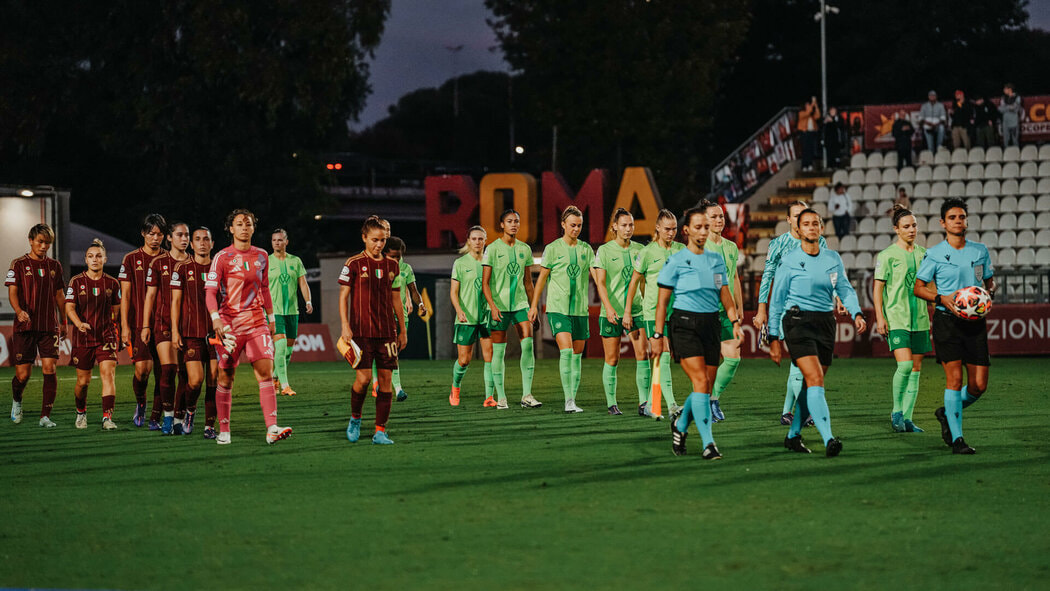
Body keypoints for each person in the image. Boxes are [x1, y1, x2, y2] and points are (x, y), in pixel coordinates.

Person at [768, 209, 866, 457]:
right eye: (806, 224)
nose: (811, 227)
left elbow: (844, 288)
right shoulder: (789, 260)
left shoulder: (832, 258)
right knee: (815, 379)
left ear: (821, 228)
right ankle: (829, 438)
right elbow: (777, 300)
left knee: (812, 384)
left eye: (816, 223)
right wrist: (773, 337)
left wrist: (856, 313)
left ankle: (792, 436)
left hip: (825, 323)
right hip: (797, 322)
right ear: (799, 230)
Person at [659, 207, 743, 460]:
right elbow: (663, 302)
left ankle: (681, 425)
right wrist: (656, 335)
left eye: (706, 227)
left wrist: (735, 319)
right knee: (700, 383)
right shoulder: (675, 260)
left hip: (711, 324)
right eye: (698, 226)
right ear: (686, 230)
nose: (703, 231)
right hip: (683, 324)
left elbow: (724, 292)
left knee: (704, 388)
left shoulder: (716, 260)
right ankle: (709, 443)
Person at [914, 197, 996, 455]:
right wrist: (941, 298)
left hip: (974, 323)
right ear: (943, 223)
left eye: (961, 217)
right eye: (952, 218)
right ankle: (958, 439)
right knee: (954, 379)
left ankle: (945, 413)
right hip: (946, 321)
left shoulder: (979, 251)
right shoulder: (935, 253)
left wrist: (986, 295)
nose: (958, 221)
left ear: (966, 220)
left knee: (978, 385)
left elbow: (988, 282)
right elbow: (918, 288)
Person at [206, 209, 293, 446]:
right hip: (229, 325)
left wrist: (272, 318)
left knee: (266, 372)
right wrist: (215, 319)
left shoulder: (262, 256)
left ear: (253, 228)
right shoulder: (222, 257)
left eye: (248, 223)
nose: (244, 227)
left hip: (257, 322)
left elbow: (264, 288)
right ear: (231, 229)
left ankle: (272, 428)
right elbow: (210, 292)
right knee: (225, 377)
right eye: (239, 224)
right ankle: (224, 430)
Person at [753, 200, 831, 426]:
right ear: (788, 220)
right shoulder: (779, 244)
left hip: (814, 308)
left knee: (801, 362)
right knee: (799, 361)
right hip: (789, 308)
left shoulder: (820, 241)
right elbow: (767, 276)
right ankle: (801, 413)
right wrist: (761, 309)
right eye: (795, 216)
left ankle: (789, 412)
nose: (799, 220)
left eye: (803, 215)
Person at [338, 216, 407, 445]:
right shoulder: (354, 263)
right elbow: (343, 296)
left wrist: (402, 329)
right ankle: (355, 418)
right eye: (375, 240)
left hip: (387, 331)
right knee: (364, 379)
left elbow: (396, 299)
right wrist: (345, 325)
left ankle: (380, 431)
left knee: (386, 381)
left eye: (383, 240)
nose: (379, 245)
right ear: (364, 238)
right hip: (361, 332)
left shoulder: (392, 266)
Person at [530, 206, 595, 413]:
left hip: (580, 311)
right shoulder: (552, 248)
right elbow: (541, 279)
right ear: (563, 225)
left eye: (579, 226)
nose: (576, 229)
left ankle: (572, 399)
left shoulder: (586, 250)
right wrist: (534, 306)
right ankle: (568, 401)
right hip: (558, 308)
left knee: (577, 355)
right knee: (566, 352)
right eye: (572, 225)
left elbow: (598, 277)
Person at [874, 205, 931, 433]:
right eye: (906, 226)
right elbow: (878, 289)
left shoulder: (924, 254)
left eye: (914, 225)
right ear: (896, 229)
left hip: (920, 319)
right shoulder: (887, 255)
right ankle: (897, 411)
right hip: (897, 318)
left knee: (916, 370)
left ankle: (908, 419)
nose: (911, 230)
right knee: (905, 365)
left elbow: (929, 286)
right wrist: (880, 317)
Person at [625, 209, 684, 418]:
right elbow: (633, 283)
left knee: (662, 358)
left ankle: (651, 403)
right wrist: (627, 311)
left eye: (674, 229)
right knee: (663, 355)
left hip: (675, 312)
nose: (671, 233)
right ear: (658, 228)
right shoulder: (647, 252)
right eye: (667, 229)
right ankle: (671, 405)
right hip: (652, 312)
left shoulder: (681, 250)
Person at [6, 224, 66, 427]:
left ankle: (45, 416)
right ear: (31, 240)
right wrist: (18, 311)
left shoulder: (55, 266)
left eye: (47, 243)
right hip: (25, 326)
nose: (44, 246)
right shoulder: (18, 264)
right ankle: (17, 401)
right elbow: (12, 291)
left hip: (49, 326)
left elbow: (59, 295)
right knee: (23, 375)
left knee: (50, 369)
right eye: (40, 241)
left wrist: (64, 320)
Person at [481, 209, 540, 409]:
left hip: (521, 305)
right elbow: (485, 283)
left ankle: (527, 395)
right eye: (509, 221)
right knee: (499, 352)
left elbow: (528, 283)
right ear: (502, 225)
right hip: (499, 307)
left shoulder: (525, 249)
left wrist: (534, 308)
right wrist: (492, 306)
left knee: (528, 346)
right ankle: (502, 397)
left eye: (516, 221)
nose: (514, 224)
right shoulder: (492, 249)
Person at [592, 208, 648, 415]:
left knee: (643, 354)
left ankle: (644, 403)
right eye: (624, 225)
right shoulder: (605, 251)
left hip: (636, 311)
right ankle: (611, 403)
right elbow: (601, 284)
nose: (628, 229)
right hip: (612, 313)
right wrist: (608, 309)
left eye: (631, 225)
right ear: (614, 226)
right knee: (612, 358)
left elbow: (644, 282)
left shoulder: (641, 249)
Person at [141, 221, 191, 434]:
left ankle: (180, 416)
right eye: (179, 234)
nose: (184, 238)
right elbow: (150, 296)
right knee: (168, 370)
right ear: (170, 238)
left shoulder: (194, 262)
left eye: (187, 235)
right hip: (162, 324)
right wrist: (145, 325)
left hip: (188, 326)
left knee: (185, 375)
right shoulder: (158, 263)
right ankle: (167, 417)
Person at [65, 239, 120, 430]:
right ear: (85, 260)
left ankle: (107, 418)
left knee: (108, 375)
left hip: (106, 336)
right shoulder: (76, 281)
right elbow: (69, 307)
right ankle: (81, 413)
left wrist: (115, 328)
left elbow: (117, 309)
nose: (94, 259)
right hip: (83, 337)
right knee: (83, 382)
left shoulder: (112, 283)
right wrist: (79, 323)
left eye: (98, 256)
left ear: (104, 258)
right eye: (90, 256)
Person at [119, 214, 167, 428]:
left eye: (159, 234)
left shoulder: (170, 258)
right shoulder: (130, 259)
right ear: (143, 233)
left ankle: (156, 416)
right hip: (139, 324)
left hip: (164, 324)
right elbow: (125, 296)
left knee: (163, 372)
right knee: (142, 371)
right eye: (151, 233)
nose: (155, 238)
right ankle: (141, 404)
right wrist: (125, 326)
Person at [171, 226, 219, 438]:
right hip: (191, 333)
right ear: (192, 244)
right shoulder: (182, 268)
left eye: (206, 239)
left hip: (217, 334)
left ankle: (209, 426)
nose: (202, 243)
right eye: (198, 239)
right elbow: (175, 302)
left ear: (212, 244)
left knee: (214, 380)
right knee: (195, 380)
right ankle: (190, 411)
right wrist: (175, 330)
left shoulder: (220, 268)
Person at [702, 200, 744, 422]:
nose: (719, 220)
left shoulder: (731, 247)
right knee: (708, 363)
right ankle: (704, 403)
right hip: (705, 312)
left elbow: (734, 277)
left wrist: (738, 306)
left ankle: (713, 399)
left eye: (721, 216)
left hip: (726, 312)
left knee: (733, 359)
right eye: (714, 216)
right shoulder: (699, 247)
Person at [449, 226, 494, 407]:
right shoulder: (460, 264)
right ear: (468, 241)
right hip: (466, 318)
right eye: (474, 239)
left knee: (490, 357)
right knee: (464, 360)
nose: (477, 242)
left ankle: (489, 397)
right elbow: (453, 292)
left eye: (480, 239)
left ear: (485, 241)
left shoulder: (490, 263)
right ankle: (455, 387)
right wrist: (459, 310)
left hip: (486, 317)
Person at [268, 229, 312, 397]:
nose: (277, 243)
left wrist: (308, 301)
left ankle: (274, 378)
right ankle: (285, 386)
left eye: (280, 240)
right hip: (274, 312)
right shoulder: (267, 261)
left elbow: (303, 283)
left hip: (292, 311)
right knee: (279, 347)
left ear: (286, 242)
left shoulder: (296, 261)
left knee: (288, 351)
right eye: (274, 240)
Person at [382, 237, 424, 402]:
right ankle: (398, 389)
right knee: (389, 354)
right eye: (393, 256)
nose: (396, 260)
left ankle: (381, 383)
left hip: (401, 316)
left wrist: (420, 303)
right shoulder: (379, 268)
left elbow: (413, 290)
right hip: (383, 315)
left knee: (393, 353)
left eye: (398, 257)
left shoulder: (406, 269)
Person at [798, 96, 821, 171]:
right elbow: (808, 112)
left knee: (811, 149)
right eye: (807, 105)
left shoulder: (811, 115)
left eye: (809, 105)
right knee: (805, 149)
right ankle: (804, 165)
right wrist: (813, 103)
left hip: (811, 132)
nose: (808, 106)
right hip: (804, 132)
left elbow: (818, 115)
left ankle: (810, 164)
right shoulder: (802, 113)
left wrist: (816, 105)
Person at [999, 83, 1022, 148]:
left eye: (1005, 89)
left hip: (1014, 121)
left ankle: (1017, 153)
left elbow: (1016, 108)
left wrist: (1006, 107)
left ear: (1009, 89)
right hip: (1005, 121)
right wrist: (1010, 107)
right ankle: (1006, 154)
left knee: (1015, 139)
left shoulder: (1017, 97)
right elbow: (1000, 109)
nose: (1004, 90)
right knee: (1006, 140)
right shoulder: (1003, 98)